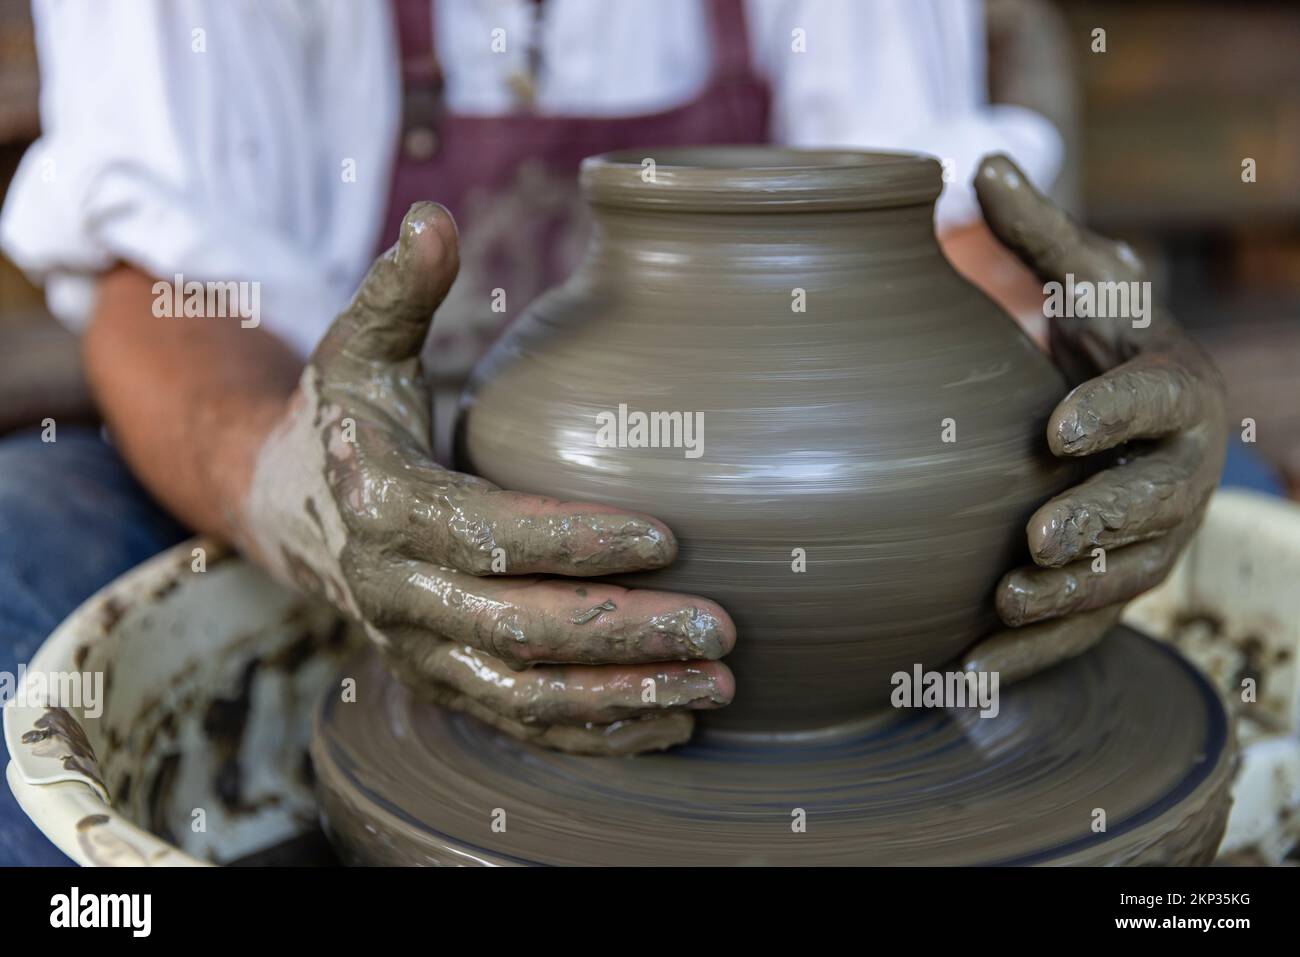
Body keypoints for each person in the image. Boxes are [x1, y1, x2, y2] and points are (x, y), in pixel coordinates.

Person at [0, 0, 1226, 864]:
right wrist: (283, 480)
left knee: (1214, 496)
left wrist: (1074, 331)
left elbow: (941, 214)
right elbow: (159, 273)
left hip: (863, 481)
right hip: (342, 464)